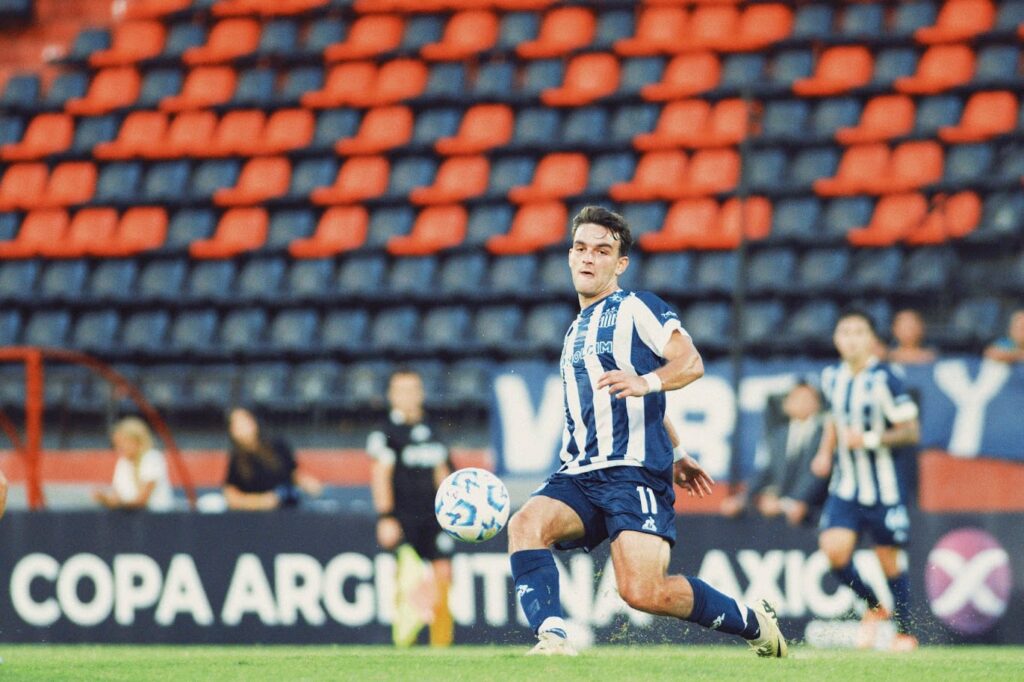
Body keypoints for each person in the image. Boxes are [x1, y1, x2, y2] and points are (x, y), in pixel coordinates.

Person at [506, 206, 787, 657]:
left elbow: (690, 361)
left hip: (631, 473)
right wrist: (676, 451)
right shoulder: (574, 329)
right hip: (579, 473)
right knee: (525, 524)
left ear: (620, 264)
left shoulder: (637, 307)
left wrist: (647, 381)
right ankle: (553, 639)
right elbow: (626, 399)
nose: (588, 258)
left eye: (602, 251)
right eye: (580, 248)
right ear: (570, 256)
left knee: (643, 592)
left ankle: (754, 623)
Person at [810, 308, 921, 652]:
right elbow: (834, 418)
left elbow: (911, 430)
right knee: (834, 552)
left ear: (872, 339)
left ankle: (904, 633)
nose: (852, 339)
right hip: (845, 486)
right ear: (836, 339)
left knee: (889, 561)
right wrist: (825, 451)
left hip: (884, 489)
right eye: (845, 332)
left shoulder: (887, 378)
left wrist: (870, 439)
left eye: (859, 332)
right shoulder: (831, 377)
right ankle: (874, 606)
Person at [367, 368, 454, 647]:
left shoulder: (433, 429)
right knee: (409, 578)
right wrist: (386, 516)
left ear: (421, 393)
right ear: (391, 395)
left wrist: (452, 512)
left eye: (413, 389)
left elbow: (443, 471)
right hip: (403, 517)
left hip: (434, 517)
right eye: (401, 390)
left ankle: (442, 645)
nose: (408, 396)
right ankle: (406, 641)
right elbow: (380, 474)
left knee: (443, 574)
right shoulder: (385, 432)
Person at [721, 382, 828, 526]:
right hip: (781, 508)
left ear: (817, 404)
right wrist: (742, 498)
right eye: (797, 398)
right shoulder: (778, 436)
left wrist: (788, 503)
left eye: (808, 399)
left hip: (814, 508)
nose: (802, 403)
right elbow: (767, 471)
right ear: (786, 404)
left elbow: (818, 475)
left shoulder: (826, 435)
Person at [223, 407, 321, 510]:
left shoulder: (277, 445)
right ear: (231, 431)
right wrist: (260, 502)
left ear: (254, 422)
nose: (242, 427)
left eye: (245, 421)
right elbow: (231, 496)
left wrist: (307, 483)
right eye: (237, 424)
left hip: (288, 509)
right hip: (256, 515)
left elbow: (294, 473)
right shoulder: (236, 460)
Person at [93, 417, 175, 512]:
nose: (119, 448)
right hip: (130, 517)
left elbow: (141, 501)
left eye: (122, 443)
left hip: (157, 517)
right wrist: (105, 499)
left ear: (137, 441)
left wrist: (116, 503)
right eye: (116, 444)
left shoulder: (152, 458)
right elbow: (118, 494)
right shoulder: (123, 463)